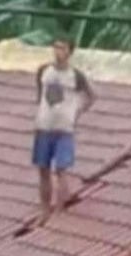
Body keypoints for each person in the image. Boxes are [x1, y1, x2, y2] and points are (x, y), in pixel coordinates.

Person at [32, 37, 96, 224]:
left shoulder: (76, 76)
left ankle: (60, 209)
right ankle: (45, 208)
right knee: (43, 169)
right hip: (44, 126)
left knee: (61, 170)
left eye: (63, 48)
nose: (58, 51)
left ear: (70, 52)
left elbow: (91, 96)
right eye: (56, 47)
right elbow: (40, 95)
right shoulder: (44, 71)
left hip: (63, 129)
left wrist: (76, 113)